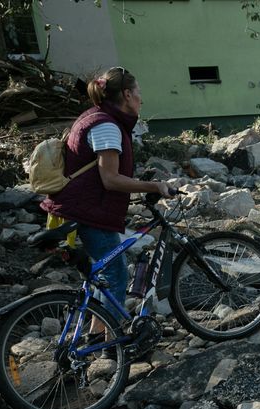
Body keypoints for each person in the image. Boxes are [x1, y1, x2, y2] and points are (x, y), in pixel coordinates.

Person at [42, 67, 170, 298]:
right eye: (138, 91)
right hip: (88, 211)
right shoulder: (107, 126)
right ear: (127, 94)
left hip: (86, 207)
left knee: (105, 274)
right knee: (116, 276)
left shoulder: (98, 117)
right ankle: (111, 334)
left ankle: (98, 332)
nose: (142, 98)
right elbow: (110, 179)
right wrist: (155, 186)